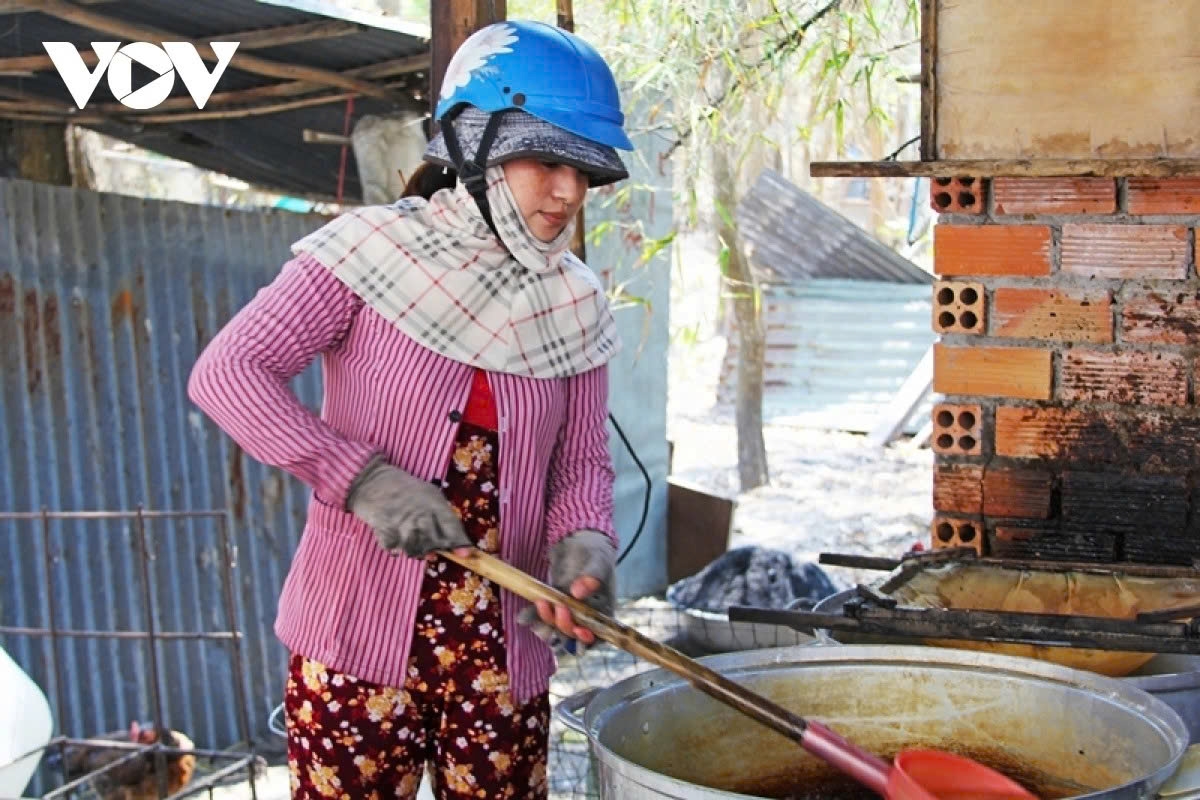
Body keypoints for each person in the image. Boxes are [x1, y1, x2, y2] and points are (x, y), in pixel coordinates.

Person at [187, 20, 633, 800]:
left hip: (502, 656)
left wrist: (585, 541)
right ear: (475, 146)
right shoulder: (365, 253)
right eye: (548, 160)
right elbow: (228, 373)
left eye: (585, 171)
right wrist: (359, 479)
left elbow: (581, 463)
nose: (568, 192)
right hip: (354, 640)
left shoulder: (577, 302)